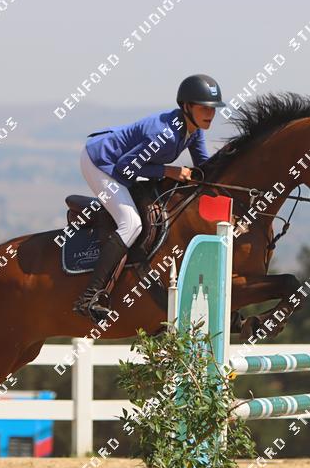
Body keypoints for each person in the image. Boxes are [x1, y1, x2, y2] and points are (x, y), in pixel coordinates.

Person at [73, 74, 225, 320]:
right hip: (100, 162)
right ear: (187, 107)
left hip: (122, 165)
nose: (211, 114)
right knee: (131, 223)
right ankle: (89, 297)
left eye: (213, 109)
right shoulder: (165, 135)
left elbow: (204, 167)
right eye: (204, 108)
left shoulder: (194, 131)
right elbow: (126, 168)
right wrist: (169, 170)